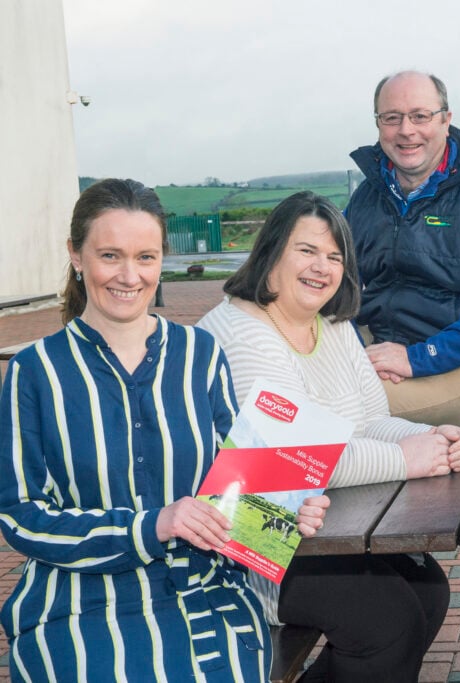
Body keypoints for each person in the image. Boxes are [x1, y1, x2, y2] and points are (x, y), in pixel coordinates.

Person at [0, 179, 328, 681]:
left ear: (161, 261)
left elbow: (233, 487)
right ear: (76, 256)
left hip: (205, 591)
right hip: (81, 601)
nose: (130, 276)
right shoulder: (35, 370)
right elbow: (21, 517)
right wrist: (149, 525)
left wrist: (284, 507)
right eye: (110, 255)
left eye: (146, 257)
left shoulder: (201, 355)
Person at [197, 190, 460, 682]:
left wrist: (433, 436)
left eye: (335, 257)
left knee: (427, 586)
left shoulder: (334, 325)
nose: (321, 267)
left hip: (308, 526)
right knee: (385, 620)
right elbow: (292, 460)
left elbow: (370, 420)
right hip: (245, 543)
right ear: (271, 251)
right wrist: (407, 459)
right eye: (307, 250)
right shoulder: (241, 332)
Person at [344, 70, 460, 428]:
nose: (406, 130)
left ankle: (257, 484)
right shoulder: (368, 196)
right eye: (392, 118)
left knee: (336, 406)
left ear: (446, 120)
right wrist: (352, 347)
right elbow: (338, 283)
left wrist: (416, 359)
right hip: (388, 345)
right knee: (283, 378)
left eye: (420, 116)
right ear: (378, 124)